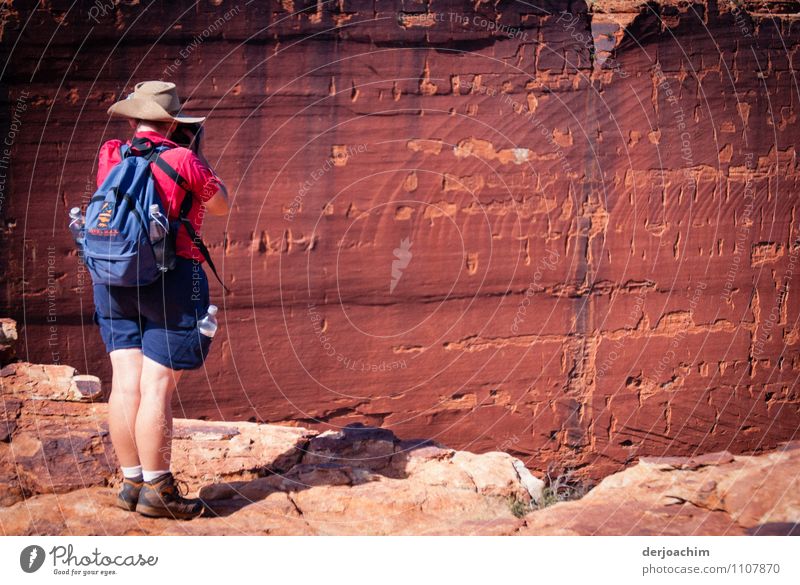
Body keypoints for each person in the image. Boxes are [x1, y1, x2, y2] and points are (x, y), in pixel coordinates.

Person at [92, 81, 228, 519]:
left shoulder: (112, 153)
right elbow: (222, 204)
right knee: (156, 388)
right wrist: (198, 156)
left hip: (111, 275)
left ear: (132, 119)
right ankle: (158, 489)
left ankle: (131, 481)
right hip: (171, 279)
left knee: (125, 382)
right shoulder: (183, 157)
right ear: (174, 123)